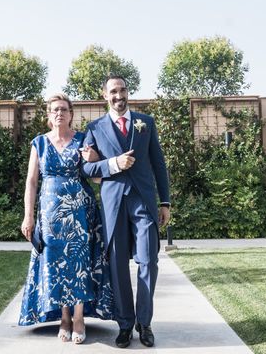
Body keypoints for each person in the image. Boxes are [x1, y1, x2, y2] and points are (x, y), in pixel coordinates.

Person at [81, 75, 170, 348]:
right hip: (113, 204)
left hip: (143, 201)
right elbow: (85, 169)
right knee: (117, 265)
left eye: (122, 90)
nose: (119, 96)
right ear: (105, 95)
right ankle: (124, 324)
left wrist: (164, 202)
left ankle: (145, 322)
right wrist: (112, 164)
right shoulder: (94, 128)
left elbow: (158, 162)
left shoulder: (146, 123)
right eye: (113, 91)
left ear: (128, 93)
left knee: (148, 261)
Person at [18, 93, 114, 344]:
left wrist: (95, 159)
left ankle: (79, 316)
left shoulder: (83, 140)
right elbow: (31, 182)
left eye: (63, 109)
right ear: (48, 116)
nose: (59, 113)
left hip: (81, 212)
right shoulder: (38, 142)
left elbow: (96, 176)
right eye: (54, 110)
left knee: (80, 261)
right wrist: (29, 216)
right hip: (50, 215)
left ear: (71, 114)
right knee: (56, 264)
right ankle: (64, 316)